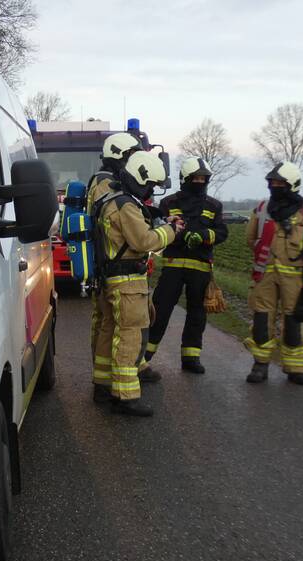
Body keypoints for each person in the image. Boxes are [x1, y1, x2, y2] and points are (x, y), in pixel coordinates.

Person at [92, 150, 184, 416]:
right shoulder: (126, 205)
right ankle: (125, 396)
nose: (151, 191)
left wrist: (161, 222)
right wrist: (171, 231)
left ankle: (102, 385)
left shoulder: (113, 198)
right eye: (151, 185)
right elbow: (143, 242)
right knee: (130, 336)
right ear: (142, 178)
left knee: (109, 332)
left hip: (112, 279)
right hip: (127, 283)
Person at [143, 156, 227, 375]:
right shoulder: (169, 203)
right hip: (173, 267)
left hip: (200, 269)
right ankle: (144, 357)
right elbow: (160, 227)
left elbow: (222, 232)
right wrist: (183, 236)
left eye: (203, 178)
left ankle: (191, 357)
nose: (200, 182)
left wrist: (203, 236)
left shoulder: (214, 205)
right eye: (195, 178)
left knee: (197, 314)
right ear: (185, 179)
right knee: (160, 310)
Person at [243, 161, 303, 385]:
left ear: (292, 184)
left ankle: (297, 368)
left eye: (280, 183)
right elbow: (250, 239)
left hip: (295, 277)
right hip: (265, 275)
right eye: (272, 182)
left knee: (294, 321)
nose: (275, 186)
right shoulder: (262, 208)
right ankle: (260, 364)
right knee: (261, 320)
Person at [88, 132, 143, 402]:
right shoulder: (107, 185)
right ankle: (117, 387)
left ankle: (103, 380)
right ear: (120, 155)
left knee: (109, 323)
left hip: (105, 265)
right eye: (132, 156)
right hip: (114, 266)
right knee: (117, 325)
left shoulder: (102, 182)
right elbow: (122, 226)